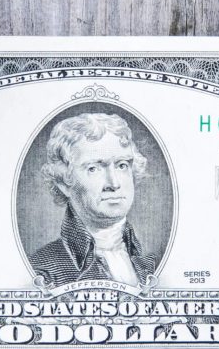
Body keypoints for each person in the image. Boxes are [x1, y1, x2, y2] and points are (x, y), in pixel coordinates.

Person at [29, 112, 158, 286]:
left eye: (122, 165)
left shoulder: (151, 264)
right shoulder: (42, 269)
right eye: (93, 168)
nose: (114, 183)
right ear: (64, 182)